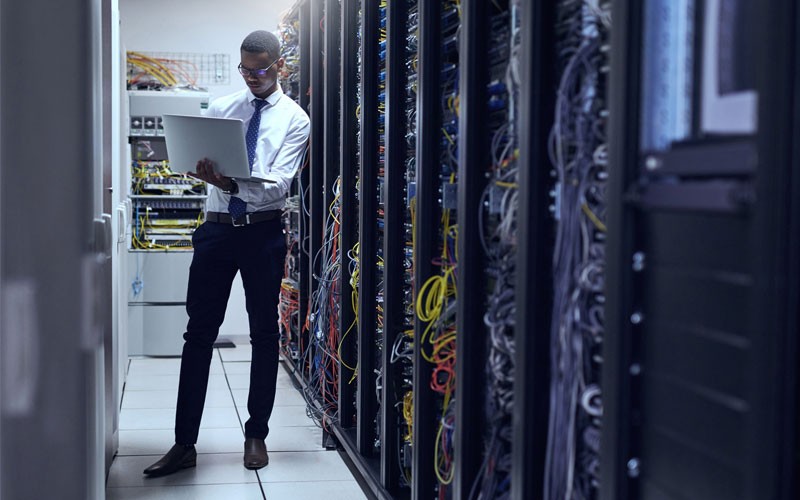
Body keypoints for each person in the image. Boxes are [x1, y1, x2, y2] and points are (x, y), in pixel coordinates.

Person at [143, 30, 310, 477]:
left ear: (280, 67)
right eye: (245, 69)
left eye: (260, 69)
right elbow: (203, 167)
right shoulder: (221, 109)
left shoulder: (295, 119)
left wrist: (231, 184)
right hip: (216, 232)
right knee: (198, 334)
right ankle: (184, 443)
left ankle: (256, 433)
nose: (251, 77)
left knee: (263, 334)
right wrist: (204, 174)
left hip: (262, 234)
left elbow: (279, 185)